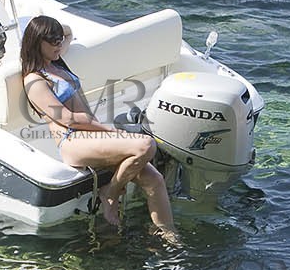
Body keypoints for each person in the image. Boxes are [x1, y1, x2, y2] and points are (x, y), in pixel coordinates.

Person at [20, 16, 176, 238]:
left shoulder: (55, 60)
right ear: (37, 42)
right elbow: (67, 118)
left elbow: (68, 32)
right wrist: (111, 131)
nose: (58, 44)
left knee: (155, 180)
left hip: (92, 136)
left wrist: (53, 30)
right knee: (145, 146)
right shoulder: (35, 81)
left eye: (58, 40)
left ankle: (169, 236)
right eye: (53, 41)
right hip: (73, 142)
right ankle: (110, 194)